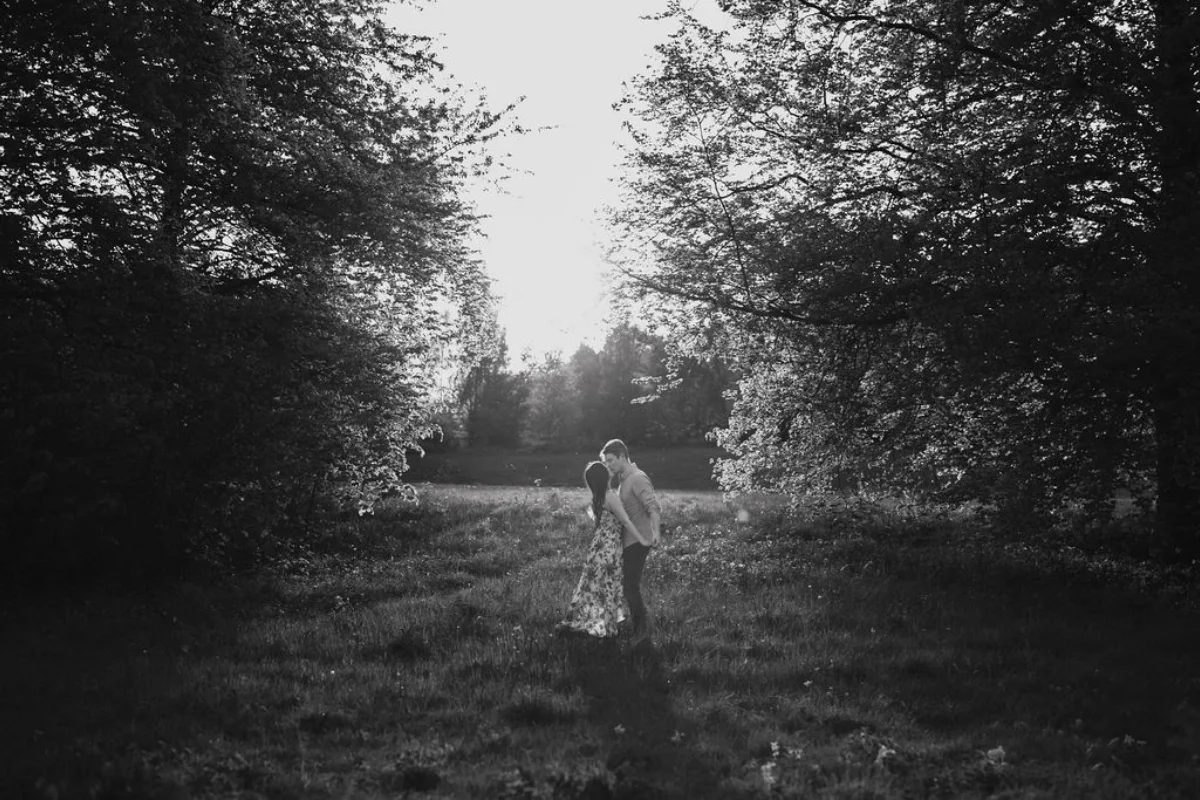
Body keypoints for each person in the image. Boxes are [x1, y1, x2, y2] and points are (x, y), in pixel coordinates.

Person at [557, 461, 649, 638]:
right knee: (608, 585)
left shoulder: (596, 499)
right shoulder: (611, 497)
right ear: (604, 477)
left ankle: (590, 621)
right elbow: (626, 522)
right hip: (610, 548)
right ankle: (606, 627)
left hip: (597, 547)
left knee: (592, 585)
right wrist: (642, 539)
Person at [601, 438, 661, 646]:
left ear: (622, 456)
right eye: (606, 462)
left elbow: (653, 507)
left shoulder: (637, 478)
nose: (608, 465)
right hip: (628, 542)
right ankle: (640, 628)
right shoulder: (624, 480)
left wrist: (656, 534)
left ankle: (642, 632)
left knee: (630, 587)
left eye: (610, 460)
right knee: (628, 587)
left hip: (639, 541)